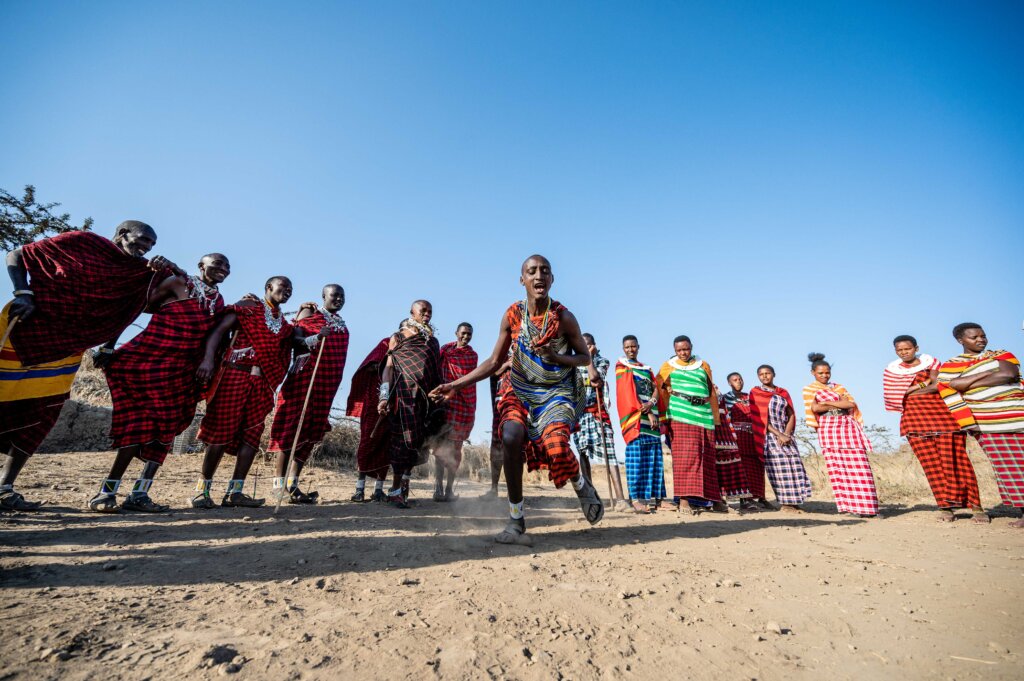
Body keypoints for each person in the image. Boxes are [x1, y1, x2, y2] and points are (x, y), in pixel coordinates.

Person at [431, 255, 603, 544]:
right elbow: (493, 361)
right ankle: (516, 518)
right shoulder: (512, 315)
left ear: (552, 280)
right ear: (521, 279)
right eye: (531, 271)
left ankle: (581, 483)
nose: (539, 276)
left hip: (555, 391)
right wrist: (455, 385)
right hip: (519, 387)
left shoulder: (564, 317)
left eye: (545, 271)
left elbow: (584, 357)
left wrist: (555, 356)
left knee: (558, 449)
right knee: (510, 436)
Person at [1, 221, 174, 511]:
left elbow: (129, 309)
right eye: (144, 240)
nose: (147, 247)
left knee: (43, 411)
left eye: (152, 245)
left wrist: (166, 266)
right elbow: (16, 255)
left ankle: (5, 487)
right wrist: (23, 293)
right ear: (122, 234)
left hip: (68, 348)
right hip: (25, 330)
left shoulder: (139, 272)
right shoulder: (81, 241)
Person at [88, 253, 231, 513]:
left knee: (165, 431)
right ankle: (106, 493)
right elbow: (134, 309)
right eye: (217, 264)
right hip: (150, 360)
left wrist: (208, 362)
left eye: (227, 266)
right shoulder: (177, 283)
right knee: (137, 427)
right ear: (201, 266)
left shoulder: (218, 301)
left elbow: (213, 335)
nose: (224, 269)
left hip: (183, 372)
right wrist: (109, 345)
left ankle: (140, 494)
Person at [191, 276, 325, 508]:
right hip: (235, 375)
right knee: (221, 432)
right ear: (268, 288)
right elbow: (218, 330)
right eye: (283, 287)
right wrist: (208, 360)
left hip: (262, 383)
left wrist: (311, 327)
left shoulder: (283, 325)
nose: (287, 291)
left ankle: (236, 492)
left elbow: (294, 343)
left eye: (290, 289)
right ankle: (202, 491)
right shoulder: (248, 309)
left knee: (252, 435)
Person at [883, 335, 985, 523]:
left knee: (958, 462)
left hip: (944, 418)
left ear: (916, 347)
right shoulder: (891, 371)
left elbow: (940, 385)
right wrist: (922, 386)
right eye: (900, 350)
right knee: (932, 467)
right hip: (913, 422)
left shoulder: (932, 363)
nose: (904, 352)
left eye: (908, 349)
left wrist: (915, 388)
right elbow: (895, 394)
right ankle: (946, 508)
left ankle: (976, 507)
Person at [267, 284, 350, 504]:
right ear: (324, 296)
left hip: (326, 382)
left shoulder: (341, 323)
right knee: (292, 428)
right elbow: (295, 341)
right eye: (334, 295)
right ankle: (278, 485)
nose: (339, 299)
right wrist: (316, 339)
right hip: (304, 378)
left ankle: (292, 484)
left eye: (342, 296)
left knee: (311, 430)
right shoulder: (310, 313)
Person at [937, 323, 1024, 527]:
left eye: (983, 336)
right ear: (961, 341)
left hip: (1017, 415)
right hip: (986, 422)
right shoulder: (951, 365)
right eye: (974, 337)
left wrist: (967, 381)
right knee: (1010, 468)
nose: (981, 340)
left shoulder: (1001, 354)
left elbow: (1008, 374)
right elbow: (949, 389)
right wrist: (982, 377)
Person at [377, 300, 445, 508]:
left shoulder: (432, 341)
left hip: (425, 400)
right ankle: (396, 490)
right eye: (423, 310)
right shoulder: (398, 338)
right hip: (403, 397)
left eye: (430, 311)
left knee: (416, 443)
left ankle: (403, 491)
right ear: (412, 312)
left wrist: (439, 395)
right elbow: (388, 368)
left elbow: (435, 372)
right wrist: (383, 396)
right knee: (402, 442)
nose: (427, 314)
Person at [802, 353, 878, 518]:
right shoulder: (809, 389)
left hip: (848, 427)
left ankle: (869, 508)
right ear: (813, 373)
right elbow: (814, 409)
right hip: (828, 429)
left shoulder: (839, 386)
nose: (824, 375)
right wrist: (837, 403)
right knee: (839, 467)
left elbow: (850, 404)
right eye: (820, 373)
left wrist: (826, 403)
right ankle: (850, 507)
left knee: (861, 467)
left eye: (827, 372)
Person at [656, 335, 725, 514]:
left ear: (691, 347)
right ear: (674, 350)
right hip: (680, 413)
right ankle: (684, 501)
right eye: (679, 350)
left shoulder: (704, 365)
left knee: (708, 457)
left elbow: (710, 391)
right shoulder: (668, 366)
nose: (683, 353)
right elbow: (659, 387)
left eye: (685, 349)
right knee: (684, 458)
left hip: (704, 414)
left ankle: (715, 500)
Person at [750, 365, 811, 512]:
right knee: (778, 469)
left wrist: (787, 434)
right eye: (761, 374)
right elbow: (760, 418)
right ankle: (785, 504)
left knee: (794, 466)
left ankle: (795, 502)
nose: (764, 376)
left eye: (768, 373)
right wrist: (779, 434)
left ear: (774, 374)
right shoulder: (756, 392)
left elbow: (791, 414)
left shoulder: (783, 392)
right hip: (770, 436)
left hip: (787, 435)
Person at [615, 335, 665, 513]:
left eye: (633, 346)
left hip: (651, 415)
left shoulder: (646, 368)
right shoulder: (622, 367)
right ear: (623, 348)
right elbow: (628, 394)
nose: (630, 350)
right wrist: (649, 412)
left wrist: (652, 403)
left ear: (638, 347)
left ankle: (657, 499)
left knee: (654, 458)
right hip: (635, 418)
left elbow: (656, 389)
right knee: (636, 459)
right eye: (627, 347)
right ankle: (636, 498)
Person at [574, 333, 624, 504]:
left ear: (594, 345)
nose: (585, 347)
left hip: (597, 413)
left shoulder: (602, 361)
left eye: (588, 345)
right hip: (579, 415)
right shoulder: (572, 364)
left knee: (610, 452)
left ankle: (620, 499)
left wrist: (588, 358)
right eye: (582, 345)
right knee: (583, 453)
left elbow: (595, 377)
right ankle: (591, 497)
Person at [346, 336, 393, 502]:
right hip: (373, 402)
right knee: (367, 442)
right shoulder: (386, 344)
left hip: (394, 405)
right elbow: (369, 366)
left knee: (386, 447)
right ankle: (360, 489)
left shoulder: (409, 351)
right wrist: (386, 364)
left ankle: (378, 490)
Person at [434, 323, 478, 501]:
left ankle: (449, 490)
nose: (466, 337)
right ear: (456, 333)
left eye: (469, 334)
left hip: (463, 407)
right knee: (439, 449)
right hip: (445, 404)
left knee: (455, 450)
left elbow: (466, 381)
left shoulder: (471, 356)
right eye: (463, 333)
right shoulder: (445, 350)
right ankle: (438, 489)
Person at [724, 373, 771, 510]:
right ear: (729, 383)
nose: (739, 382)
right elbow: (726, 418)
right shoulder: (726, 398)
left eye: (740, 379)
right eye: (735, 380)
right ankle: (744, 500)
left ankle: (760, 497)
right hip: (737, 437)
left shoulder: (750, 397)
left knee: (757, 466)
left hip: (754, 436)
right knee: (743, 467)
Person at [713, 387, 751, 509]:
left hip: (725, 431)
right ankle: (718, 500)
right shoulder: (702, 386)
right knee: (715, 466)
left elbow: (726, 413)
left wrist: (732, 432)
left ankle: (743, 500)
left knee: (734, 463)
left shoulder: (717, 389)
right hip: (712, 429)